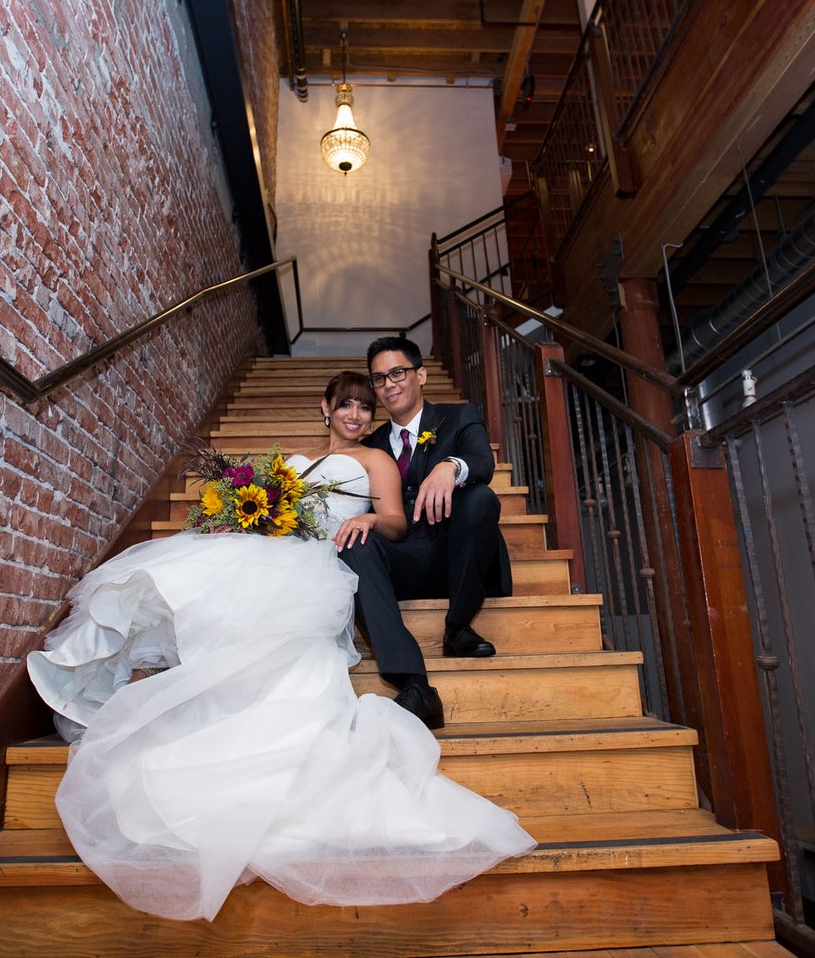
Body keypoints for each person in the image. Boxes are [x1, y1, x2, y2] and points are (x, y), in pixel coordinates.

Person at [26, 371, 535, 922]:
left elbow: (394, 522)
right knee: (185, 574)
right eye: (346, 405)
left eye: (365, 407)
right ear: (325, 408)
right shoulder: (292, 462)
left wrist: (366, 516)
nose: (356, 415)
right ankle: (159, 678)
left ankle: (205, 700)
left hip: (321, 556)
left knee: (273, 618)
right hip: (272, 548)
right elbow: (263, 511)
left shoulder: (375, 460)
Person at [334, 337, 513, 731]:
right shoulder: (371, 445)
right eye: (379, 378)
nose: (388, 384)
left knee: (480, 498)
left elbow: (482, 462)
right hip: (404, 560)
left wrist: (450, 466)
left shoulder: (458, 416)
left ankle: (458, 627)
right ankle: (414, 684)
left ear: (421, 375)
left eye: (397, 373)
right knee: (355, 541)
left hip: (457, 553)